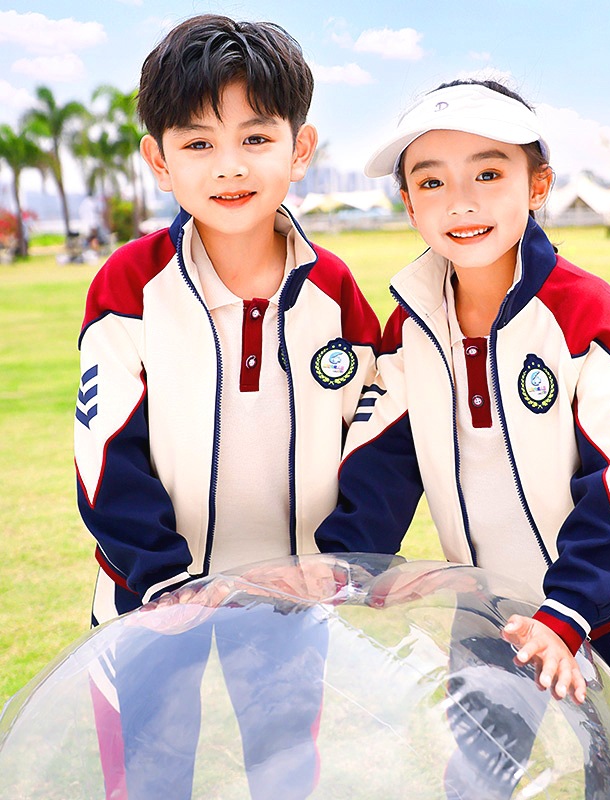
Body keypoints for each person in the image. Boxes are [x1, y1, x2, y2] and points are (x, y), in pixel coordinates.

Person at [73, 14, 380, 798]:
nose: (230, 166)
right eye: (199, 143)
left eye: (255, 137)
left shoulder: (337, 293)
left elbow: (378, 445)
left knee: (284, 774)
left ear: (300, 149)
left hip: (289, 602)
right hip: (150, 600)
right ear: (159, 161)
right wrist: (161, 583)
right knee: (149, 776)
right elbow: (106, 450)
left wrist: (338, 560)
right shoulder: (128, 288)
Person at [315, 80, 610, 765]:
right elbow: (381, 473)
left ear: (538, 185)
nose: (462, 201)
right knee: (475, 774)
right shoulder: (410, 324)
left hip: (594, 611)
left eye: (488, 172)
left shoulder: (585, 312)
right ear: (407, 200)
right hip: (484, 614)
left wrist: (567, 617)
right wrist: (338, 575)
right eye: (432, 181)